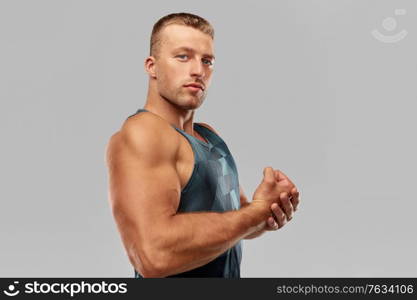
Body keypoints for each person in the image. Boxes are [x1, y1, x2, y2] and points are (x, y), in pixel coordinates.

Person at [105, 12, 300, 278]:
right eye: (183, 57)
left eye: (207, 60)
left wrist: (267, 211)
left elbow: (235, 220)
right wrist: (254, 215)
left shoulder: (209, 136)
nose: (198, 70)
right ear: (152, 66)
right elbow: (152, 256)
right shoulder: (145, 132)